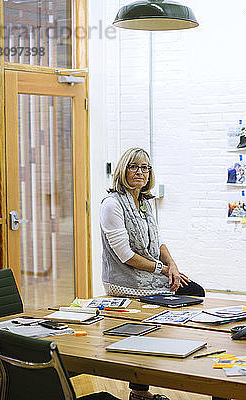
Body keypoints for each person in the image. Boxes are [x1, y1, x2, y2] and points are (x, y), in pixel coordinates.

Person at [100, 147, 205, 400]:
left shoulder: (147, 203)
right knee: (163, 311)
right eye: (134, 167)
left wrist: (174, 266)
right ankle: (140, 389)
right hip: (125, 282)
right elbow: (125, 255)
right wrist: (163, 269)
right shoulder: (112, 205)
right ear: (123, 170)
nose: (140, 172)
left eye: (145, 167)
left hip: (151, 275)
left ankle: (144, 384)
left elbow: (158, 243)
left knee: (194, 291)